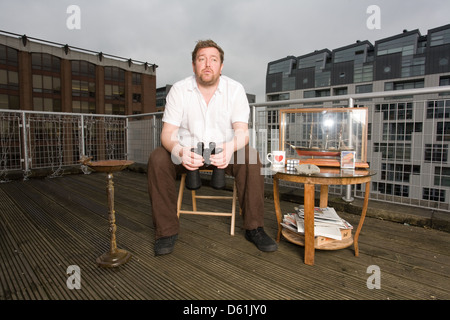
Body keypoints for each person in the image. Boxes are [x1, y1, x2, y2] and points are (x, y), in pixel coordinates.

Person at [147, 39, 277, 256]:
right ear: (193, 65)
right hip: (186, 150)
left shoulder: (235, 90)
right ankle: (166, 231)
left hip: (225, 149)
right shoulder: (179, 90)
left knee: (252, 158)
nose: (207, 64)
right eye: (201, 59)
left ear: (221, 66)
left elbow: (242, 132)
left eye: (213, 60)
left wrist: (230, 148)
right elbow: (167, 134)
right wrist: (179, 151)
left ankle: (254, 228)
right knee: (158, 159)